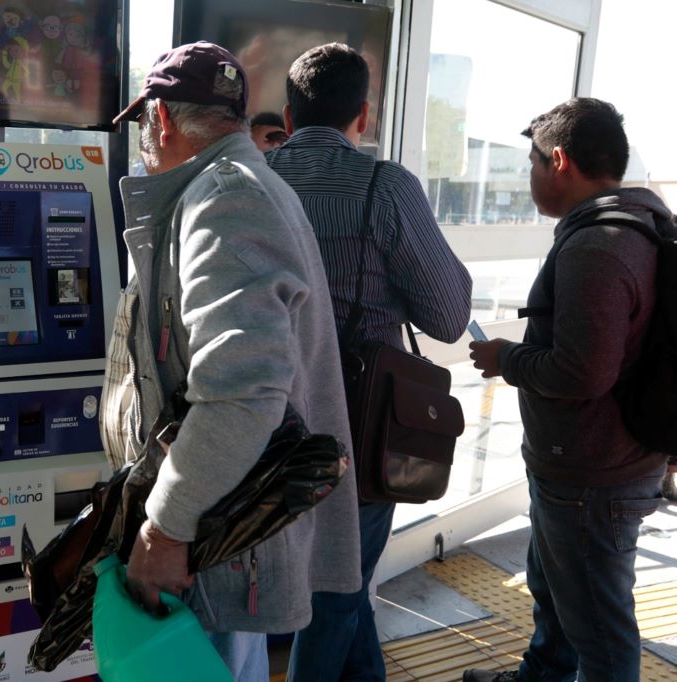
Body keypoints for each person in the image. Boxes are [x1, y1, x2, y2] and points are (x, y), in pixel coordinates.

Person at [104, 41, 361, 681]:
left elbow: (242, 393)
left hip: (215, 537)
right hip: (221, 524)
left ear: (159, 119)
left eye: (142, 124)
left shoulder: (222, 199)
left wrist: (164, 530)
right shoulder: (242, 185)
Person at [266, 42, 472, 681]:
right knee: (336, 593)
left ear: (287, 115)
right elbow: (447, 315)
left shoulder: (250, 183)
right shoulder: (386, 188)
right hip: (353, 424)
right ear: (364, 114)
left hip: (255, 414)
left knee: (341, 588)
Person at [467, 97, 670, 682]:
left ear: (558, 161)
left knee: (599, 627)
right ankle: (542, 675)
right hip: (600, 459)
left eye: (531, 163)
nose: (528, 176)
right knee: (559, 593)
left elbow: (584, 373)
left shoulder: (597, 246)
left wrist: (508, 359)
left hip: (591, 470)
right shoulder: (642, 225)